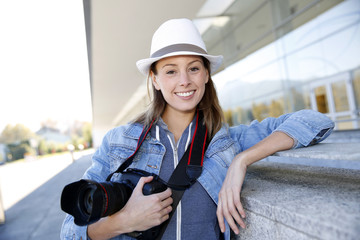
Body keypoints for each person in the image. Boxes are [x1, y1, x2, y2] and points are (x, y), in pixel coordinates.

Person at [60, 18, 334, 240]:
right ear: (154, 79)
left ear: (205, 75)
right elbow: (69, 232)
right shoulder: (119, 142)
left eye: (193, 68)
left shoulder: (225, 142)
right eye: (170, 71)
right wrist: (122, 222)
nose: (184, 81)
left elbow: (314, 121)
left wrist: (242, 160)